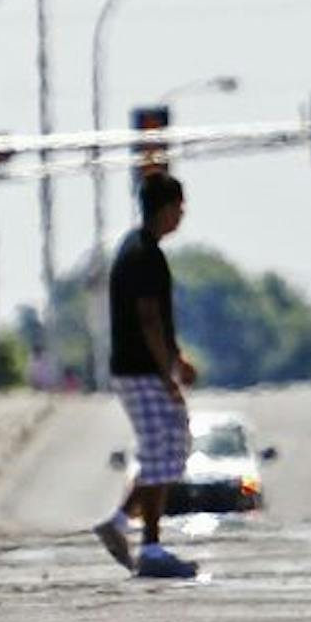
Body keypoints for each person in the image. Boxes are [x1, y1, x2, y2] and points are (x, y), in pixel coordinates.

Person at [93, 172, 199, 579]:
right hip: (139, 370)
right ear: (167, 207)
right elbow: (149, 319)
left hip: (141, 368)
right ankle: (148, 544)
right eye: (180, 208)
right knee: (161, 450)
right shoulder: (142, 254)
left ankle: (124, 524)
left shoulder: (142, 250)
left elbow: (159, 323)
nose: (182, 216)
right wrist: (166, 373)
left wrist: (178, 359)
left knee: (168, 448)